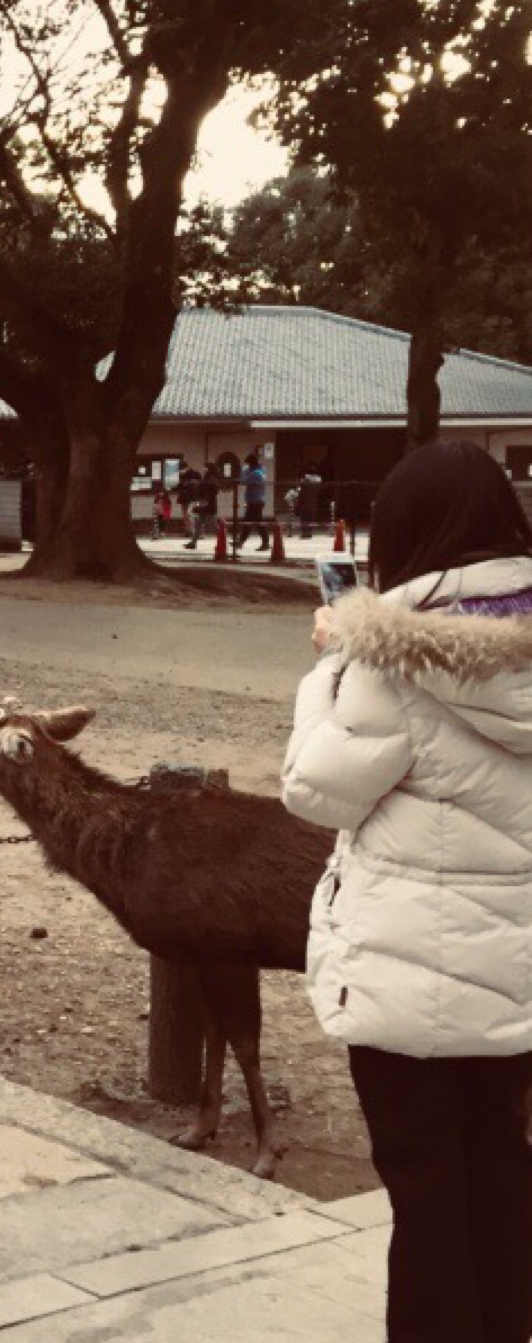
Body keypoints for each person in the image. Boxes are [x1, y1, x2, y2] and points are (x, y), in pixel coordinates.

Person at [280, 440, 532, 1343]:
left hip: (407, 978)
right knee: (505, 1176)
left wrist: (327, 669)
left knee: (427, 1195)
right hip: (518, 971)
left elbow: (315, 787)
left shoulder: (389, 655)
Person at [233, 452, 269, 552]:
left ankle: (265, 542)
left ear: (250, 464)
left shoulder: (255, 474)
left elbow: (243, 481)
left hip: (254, 500)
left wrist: (243, 471)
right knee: (249, 521)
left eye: (248, 464)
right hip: (257, 499)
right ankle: (241, 541)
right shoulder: (261, 471)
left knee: (255, 522)